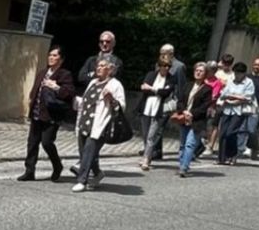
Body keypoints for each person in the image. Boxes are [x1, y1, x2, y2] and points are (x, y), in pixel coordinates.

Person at [19, 45, 75, 182]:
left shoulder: (64, 74)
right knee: (32, 143)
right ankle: (29, 171)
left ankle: (57, 166)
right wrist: (31, 101)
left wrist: (55, 87)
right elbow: (35, 90)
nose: (51, 57)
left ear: (61, 59)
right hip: (37, 113)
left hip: (51, 115)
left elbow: (69, 94)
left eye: (55, 55)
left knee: (47, 142)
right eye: (50, 55)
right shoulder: (42, 72)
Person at [72, 59, 126, 192]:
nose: (98, 68)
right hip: (84, 123)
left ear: (110, 69)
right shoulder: (93, 82)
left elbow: (121, 107)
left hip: (100, 125)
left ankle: (82, 180)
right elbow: (87, 100)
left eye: (102, 66)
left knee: (88, 152)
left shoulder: (115, 85)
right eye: (98, 65)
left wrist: (111, 99)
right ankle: (97, 173)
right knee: (85, 153)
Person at [171, 62, 214, 177]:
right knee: (182, 144)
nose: (198, 73)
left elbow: (204, 106)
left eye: (201, 71)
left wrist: (191, 113)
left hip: (196, 121)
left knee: (190, 144)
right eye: (196, 70)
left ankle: (184, 168)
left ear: (205, 74)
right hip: (184, 119)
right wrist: (184, 111)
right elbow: (180, 101)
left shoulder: (208, 89)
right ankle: (182, 164)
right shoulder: (187, 85)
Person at [136, 59, 177, 171]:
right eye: (164, 65)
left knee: (151, 135)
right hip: (146, 108)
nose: (166, 68)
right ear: (159, 66)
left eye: (169, 66)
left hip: (159, 110)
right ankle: (148, 155)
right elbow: (144, 89)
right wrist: (157, 90)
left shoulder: (171, 78)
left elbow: (165, 93)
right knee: (145, 135)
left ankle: (146, 159)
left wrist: (151, 88)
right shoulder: (151, 75)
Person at [217, 62, 255, 166]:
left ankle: (232, 154)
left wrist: (233, 97)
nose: (237, 75)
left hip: (239, 111)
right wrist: (234, 97)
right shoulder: (231, 80)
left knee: (231, 132)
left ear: (244, 73)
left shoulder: (248, 82)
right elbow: (224, 94)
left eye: (239, 73)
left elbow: (247, 98)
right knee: (223, 133)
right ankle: (222, 158)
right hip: (227, 109)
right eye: (236, 73)